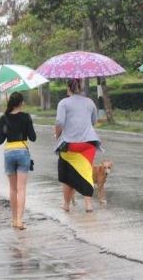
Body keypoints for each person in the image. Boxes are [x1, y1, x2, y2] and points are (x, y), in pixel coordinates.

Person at [55, 78, 101, 213]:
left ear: (68, 88)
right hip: (88, 144)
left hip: (70, 145)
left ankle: (66, 205)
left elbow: (59, 122)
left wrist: (57, 136)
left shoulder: (63, 103)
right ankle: (88, 205)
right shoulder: (90, 102)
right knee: (86, 172)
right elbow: (94, 121)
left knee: (67, 175)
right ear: (82, 88)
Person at [0, 92, 36, 230]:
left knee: (12, 189)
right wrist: (27, 125)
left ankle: (13, 219)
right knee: (21, 189)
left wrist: (6, 127)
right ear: (21, 103)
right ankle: (19, 220)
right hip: (23, 153)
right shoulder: (26, 117)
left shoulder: (3, 118)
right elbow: (33, 137)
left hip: (9, 154)